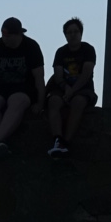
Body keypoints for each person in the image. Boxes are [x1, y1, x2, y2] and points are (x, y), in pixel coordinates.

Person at [0, 17, 45, 159]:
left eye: (8, 36)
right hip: (1, 86)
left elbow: (39, 77)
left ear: (18, 34)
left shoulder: (31, 46)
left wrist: (40, 103)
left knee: (17, 100)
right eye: (2, 35)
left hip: (24, 87)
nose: (4, 39)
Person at [46, 17, 96, 158]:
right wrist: (65, 87)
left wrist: (73, 91)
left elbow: (86, 74)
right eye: (69, 32)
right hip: (62, 88)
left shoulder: (88, 50)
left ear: (81, 33)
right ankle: (57, 139)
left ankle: (66, 142)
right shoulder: (61, 52)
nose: (73, 35)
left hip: (83, 89)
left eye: (76, 31)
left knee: (78, 102)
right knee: (53, 102)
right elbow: (58, 74)